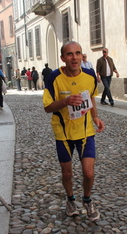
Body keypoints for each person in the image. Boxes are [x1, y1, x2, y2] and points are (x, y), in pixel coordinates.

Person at [43, 41, 105, 222]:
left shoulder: (89, 75)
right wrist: (65, 101)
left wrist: (95, 117)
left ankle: (87, 200)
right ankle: (70, 200)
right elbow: (47, 107)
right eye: (70, 54)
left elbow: (91, 97)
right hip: (63, 133)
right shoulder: (54, 78)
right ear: (63, 58)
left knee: (88, 173)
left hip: (85, 132)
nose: (74, 57)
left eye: (78, 53)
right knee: (67, 172)